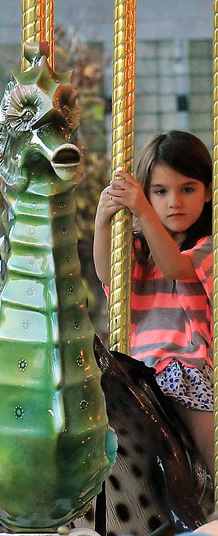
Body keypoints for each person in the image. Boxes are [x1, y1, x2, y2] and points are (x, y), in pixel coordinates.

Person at [93, 130, 214, 473]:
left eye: (187, 189)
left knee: (208, 434)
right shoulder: (135, 245)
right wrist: (103, 221)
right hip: (137, 366)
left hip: (186, 366)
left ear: (208, 192)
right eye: (160, 191)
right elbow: (108, 273)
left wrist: (144, 213)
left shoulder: (208, 245)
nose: (174, 202)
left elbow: (174, 266)